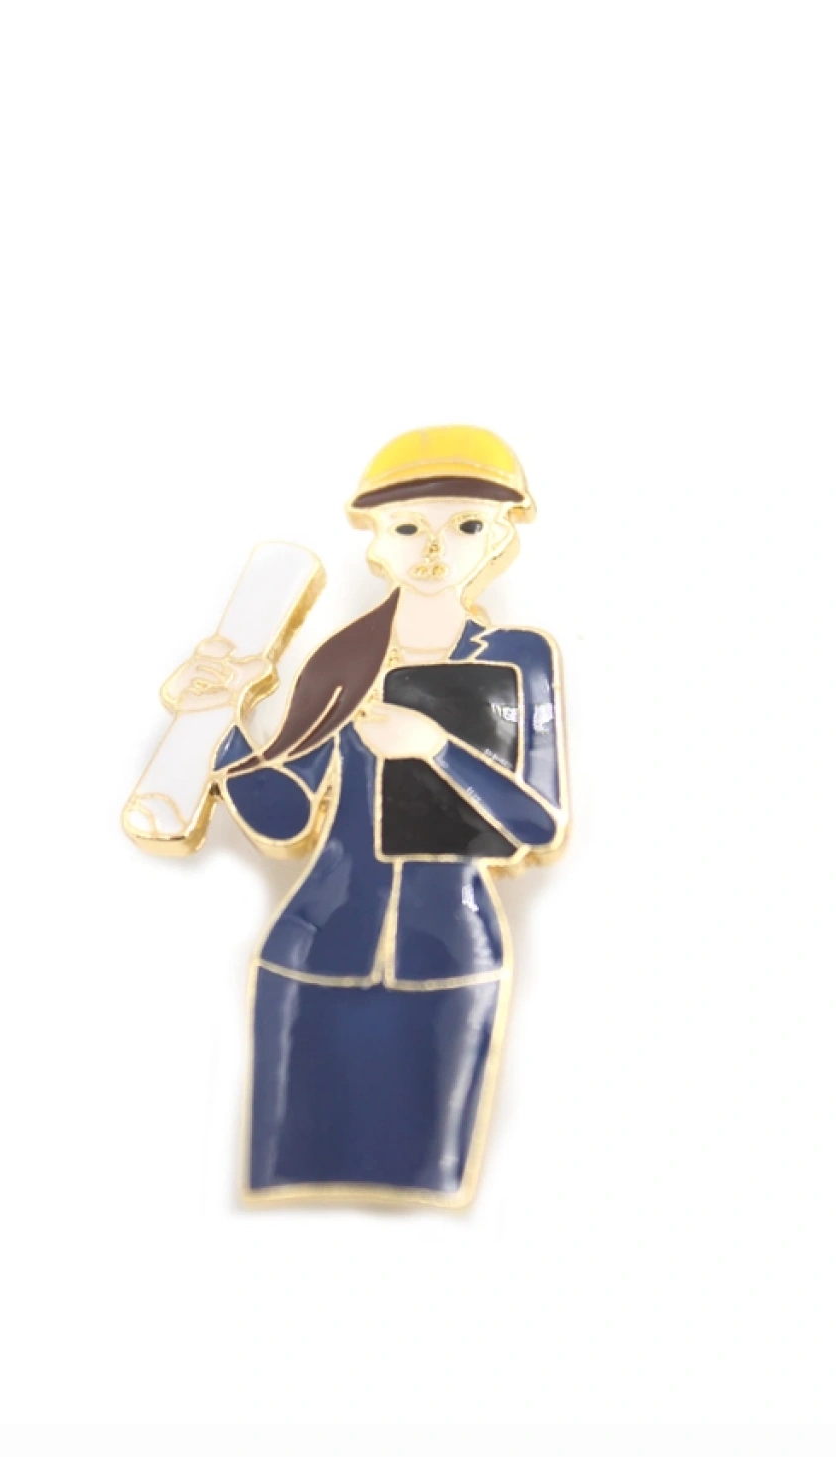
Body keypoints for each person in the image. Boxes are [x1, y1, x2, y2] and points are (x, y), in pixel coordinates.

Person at [213, 425, 569, 1207]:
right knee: (294, 1167)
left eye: (464, 525)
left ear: (499, 538)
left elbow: (538, 826)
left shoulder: (517, 658)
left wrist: (436, 748)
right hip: (314, 954)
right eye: (409, 527)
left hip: (448, 959)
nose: (434, 549)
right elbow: (282, 820)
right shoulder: (342, 659)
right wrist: (225, 722)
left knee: (423, 1172)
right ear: (376, 540)